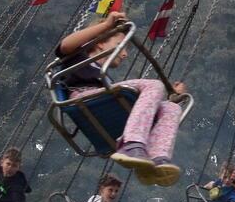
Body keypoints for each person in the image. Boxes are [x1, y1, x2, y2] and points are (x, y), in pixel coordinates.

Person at [51, 12, 192, 183]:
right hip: (84, 96)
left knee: (172, 108)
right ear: (101, 43)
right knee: (154, 85)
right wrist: (107, 26)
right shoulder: (80, 58)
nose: (125, 54)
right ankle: (133, 144)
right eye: (120, 45)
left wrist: (169, 101)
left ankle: (156, 159)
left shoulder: (106, 80)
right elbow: (64, 46)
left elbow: (144, 108)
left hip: (103, 103)